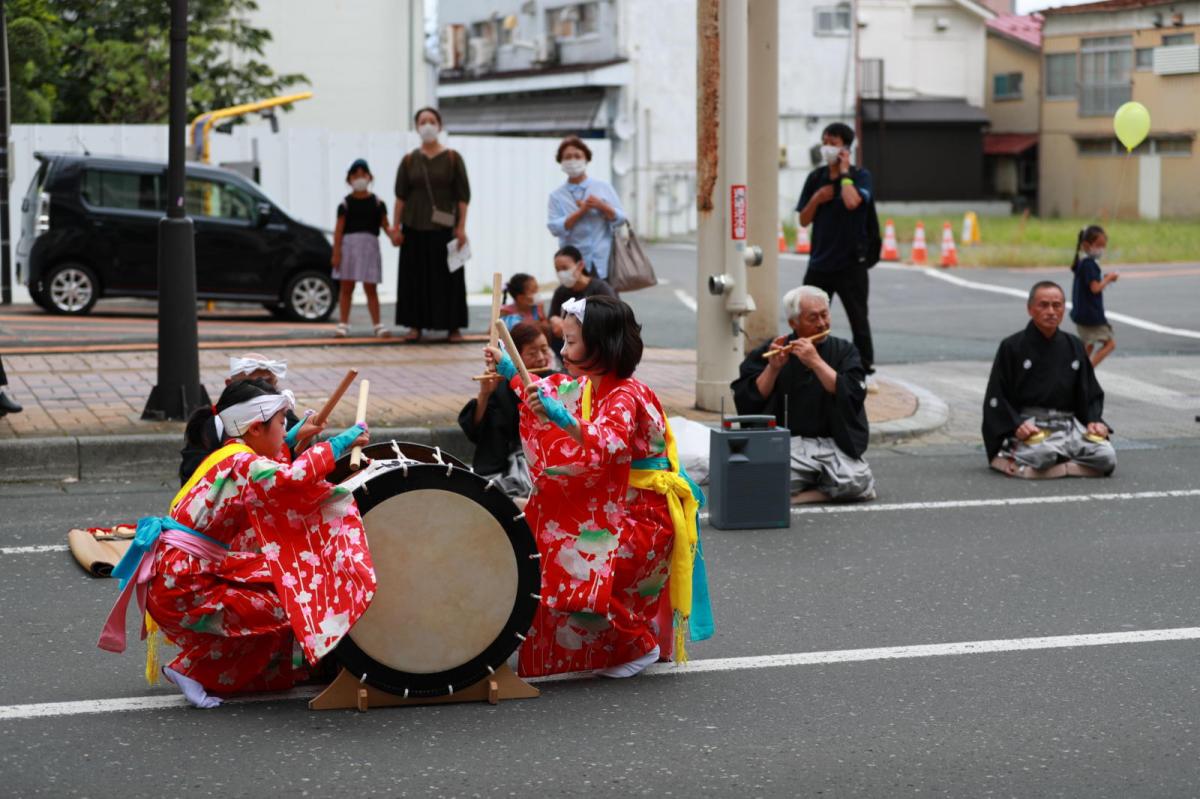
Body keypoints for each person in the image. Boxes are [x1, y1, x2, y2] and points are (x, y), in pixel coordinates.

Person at [99, 379, 375, 709]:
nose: (285, 427)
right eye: (281, 422)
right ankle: (193, 670)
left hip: (182, 572)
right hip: (186, 584)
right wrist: (338, 443)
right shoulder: (242, 464)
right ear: (256, 428)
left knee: (280, 584)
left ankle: (300, 665)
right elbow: (287, 479)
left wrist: (293, 437)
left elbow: (267, 466)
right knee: (289, 604)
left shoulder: (230, 454)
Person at [484, 296, 702, 679]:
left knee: (573, 557)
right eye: (563, 341)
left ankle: (638, 644)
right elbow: (549, 394)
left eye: (570, 342)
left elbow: (607, 442)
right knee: (547, 542)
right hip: (621, 506)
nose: (562, 351)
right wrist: (510, 370)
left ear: (601, 345)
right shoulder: (589, 387)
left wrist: (557, 416)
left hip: (645, 516)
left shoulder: (626, 394)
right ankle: (615, 646)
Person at [731, 286, 876, 503]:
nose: (821, 323)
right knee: (759, 481)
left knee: (858, 480)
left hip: (832, 443)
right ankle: (820, 486)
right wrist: (773, 369)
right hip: (788, 443)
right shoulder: (773, 349)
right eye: (812, 318)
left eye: (824, 315)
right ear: (793, 323)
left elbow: (854, 393)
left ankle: (806, 495)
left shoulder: (845, 351)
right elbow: (747, 398)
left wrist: (816, 362)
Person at [983, 281, 1116, 479]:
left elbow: (1090, 392)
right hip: (1032, 425)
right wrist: (1016, 425)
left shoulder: (1074, 345)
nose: (1051, 311)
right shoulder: (1012, 346)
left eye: (1057, 305)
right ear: (1030, 309)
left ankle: (1061, 466)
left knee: (1106, 456)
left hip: (1068, 426)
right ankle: (1007, 457)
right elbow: (997, 396)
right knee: (1043, 455)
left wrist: (1094, 421)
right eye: (1043, 305)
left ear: (1064, 308)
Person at [797, 122, 876, 377]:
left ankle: (864, 369)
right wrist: (818, 198)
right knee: (808, 314)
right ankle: (807, 361)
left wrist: (844, 174)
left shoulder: (860, 176)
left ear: (845, 148)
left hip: (852, 262)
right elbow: (804, 219)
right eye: (825, 142)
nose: (827, 148)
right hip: (820, 262)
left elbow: (853, 201)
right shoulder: (815, 179)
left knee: (858, 319)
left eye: (833, 143)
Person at [392, 107, 471, 342]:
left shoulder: (452, 158)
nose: (427, 125)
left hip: (445, 229)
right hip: (414, 228)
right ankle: (414, 326)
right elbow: (400, 197)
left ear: (440, 125)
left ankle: (453, 326)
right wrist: (395, 228)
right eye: (423, 121)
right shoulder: (409, 160)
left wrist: (461, 227)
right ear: (416, 127)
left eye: (432, 121)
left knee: (449, 279)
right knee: (413, 279)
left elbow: (463, 197)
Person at [458, 323, 554, 502]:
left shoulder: (556, 380)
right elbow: (477, 431)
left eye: (544, 349)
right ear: (514, 357)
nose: (541, 358)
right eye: (532, 353)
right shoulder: (502, 388)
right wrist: (485, 394)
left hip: (548, 458)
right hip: (513, 462)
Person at [179, 354, 302, 485]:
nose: (264, 392)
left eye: (269, 384)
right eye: (252, 387)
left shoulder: (290, 423)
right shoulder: (212, 431)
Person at [547, 136, 626, 282]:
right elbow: (554, 227)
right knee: (576, 304)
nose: (573, 161)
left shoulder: (602, 187)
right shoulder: (557, 196)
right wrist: (581, 212)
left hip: (603, 259)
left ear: (586, 159)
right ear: (561, 162)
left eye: (577, 156)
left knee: (605, 301)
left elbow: (621, 219)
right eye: (568, 157)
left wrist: (602, 206)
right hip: (572, 263)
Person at [332, 158, 392, 339]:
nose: (359, 178)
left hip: (370, 249)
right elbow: (338, 231)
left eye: (363, 174)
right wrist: (336, 253)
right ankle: (343, 323)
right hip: (349, 248)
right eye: (355, 175)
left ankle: (377, 324)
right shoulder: (345, 204)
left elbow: (386, 226)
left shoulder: (378, 203)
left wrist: (395, 236)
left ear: (370, 177)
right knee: (346, 287)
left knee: (370, 288)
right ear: (349, 179)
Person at [547, 245, 616, 355]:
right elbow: (552, 317)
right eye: (557, 269)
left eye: (565, 268)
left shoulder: (601, 289)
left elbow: (611, 321)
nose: (561, 273)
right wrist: (554, 321)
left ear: (580, 265)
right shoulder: (560, 292)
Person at [1069, 225, 1119, 367]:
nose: (1102, 249)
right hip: (1091, 316)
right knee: (1110, 344)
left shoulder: (1082, 263)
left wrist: (1104, 278)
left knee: (1088, 346)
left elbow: (1091, 283)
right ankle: (1087, 373)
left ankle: (1077, 374)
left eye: (1104, 246)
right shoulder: (1090, 265)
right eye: (1099, 245)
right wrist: (1109, 279)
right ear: (1086, 245)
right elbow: (1095, 288)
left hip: (1082, 314)